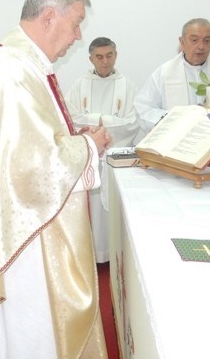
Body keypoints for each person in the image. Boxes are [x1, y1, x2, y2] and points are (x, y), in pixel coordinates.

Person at [0, 0, 111, 359]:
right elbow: (33, 168)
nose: (78, 35)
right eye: (76, 23)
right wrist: (91, 145)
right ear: (49, 17)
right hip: (24, 236)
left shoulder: (24, 63)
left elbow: (33, 141)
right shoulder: (12, 68)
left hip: (26, 223)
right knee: (32, 329)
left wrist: (74, 135)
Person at [66, 36, 144, 263]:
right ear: (90, 58)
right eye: (99, 57)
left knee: (111, 211)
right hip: (87, 160)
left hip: (113, 160)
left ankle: (111, 254)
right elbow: (70, 118)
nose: (105, 61)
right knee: (90, 209)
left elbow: (133, 122)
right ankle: (91, 255)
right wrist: (102, 121)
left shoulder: (127, 85)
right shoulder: (79, 85)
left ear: (116, 55)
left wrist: (97, 123)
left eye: (109, 55)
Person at [135, 18, 210, 131]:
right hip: (175, 136)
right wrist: (173, 118)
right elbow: (143, 109)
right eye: (194, 40)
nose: (201, 46)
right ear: (182, 42)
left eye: (207, 41)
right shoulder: (164, 73)